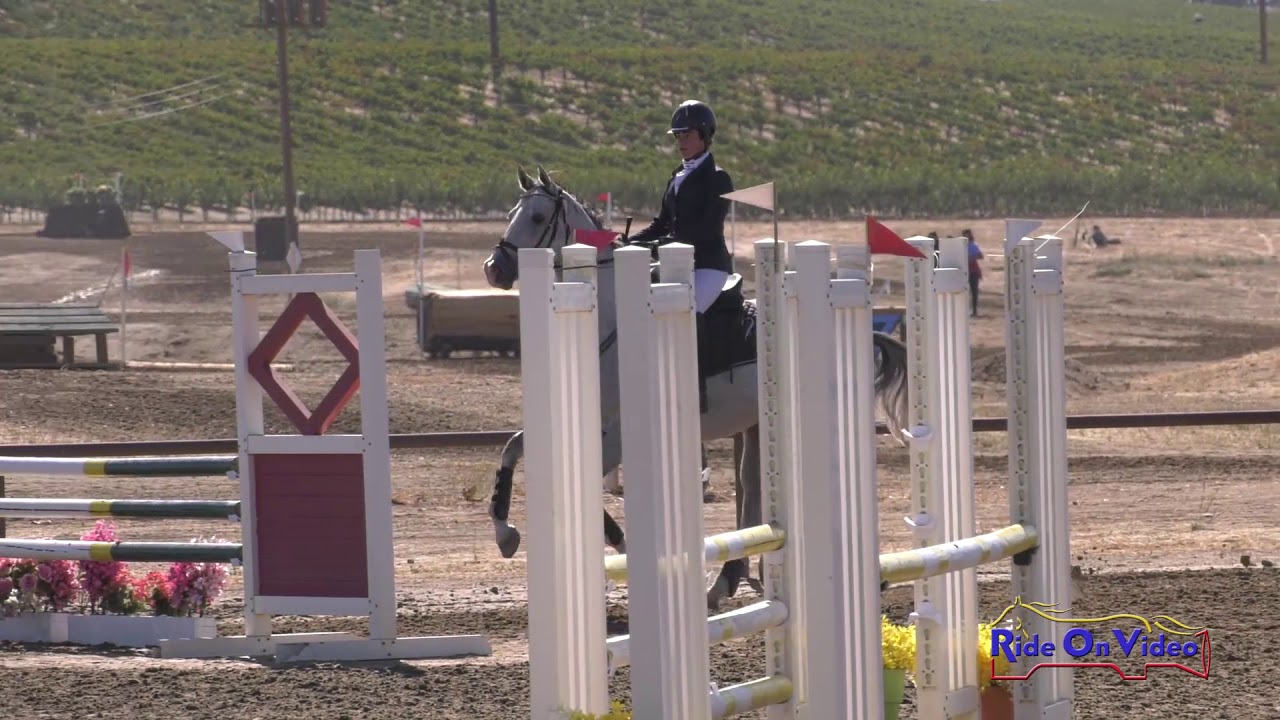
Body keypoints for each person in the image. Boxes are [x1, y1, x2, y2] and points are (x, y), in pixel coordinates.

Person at [627, 99, 734, 314]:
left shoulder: (718, 178)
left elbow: (707, 228)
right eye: (678, 136)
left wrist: (664, 243)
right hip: (675, 262)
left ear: (704, 136)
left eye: (688, 135)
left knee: (689, 313)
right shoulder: (677, 176)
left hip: (708, 266)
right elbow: (662, 223)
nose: (681, 142)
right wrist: (629, 241)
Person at [963, 229, 983, 317]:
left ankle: (974, 310)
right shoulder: (961, 245)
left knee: (974, 291)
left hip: (973, 270)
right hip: (964, 270)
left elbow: (980, 255)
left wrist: (971, 258)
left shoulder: (973, 245)